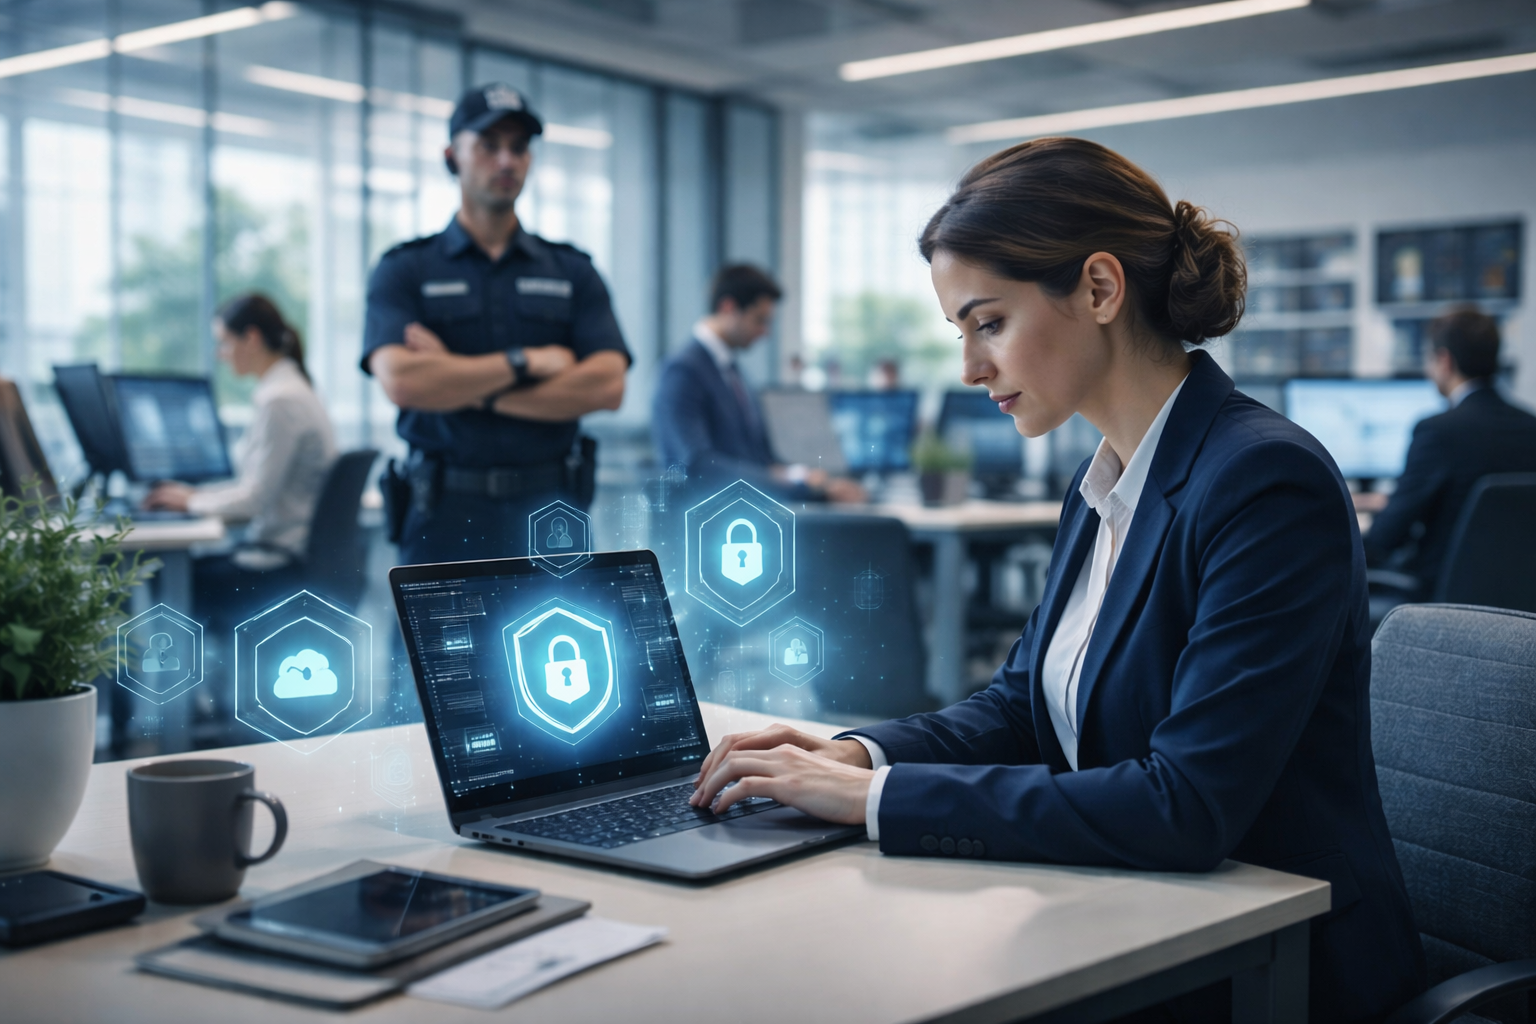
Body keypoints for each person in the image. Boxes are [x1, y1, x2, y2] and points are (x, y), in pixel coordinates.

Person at [689, 138, 1423, 1019]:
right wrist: (854, 753)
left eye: (988, 323)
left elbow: (1183, 804)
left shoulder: (1266, 484)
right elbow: (1015, 708)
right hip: (1141, 921)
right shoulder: (1105, 482)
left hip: (1271, 969)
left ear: (1100, 290)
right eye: (960, 333)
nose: (969, 369)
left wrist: (877, 798)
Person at [362, 83, 630, 565]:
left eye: (519, 147)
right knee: (434, 644)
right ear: (452, 155)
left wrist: (461, 381)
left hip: (552, 511)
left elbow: (607, 386)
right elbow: (403, 381)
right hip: (443, 512)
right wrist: (529, 361)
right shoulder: (406, 269)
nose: (506, 160)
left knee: (562, 643)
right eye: (489, 145)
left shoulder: (571, 271)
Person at [146, 293, 336, 576]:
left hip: (275, 564)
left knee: (152, 575)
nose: (219, 354)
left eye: (224, 342)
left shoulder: (281, 401)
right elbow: (255, 485)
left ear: (251, 337)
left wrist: (190, 502)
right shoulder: (291, 389)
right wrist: (197, 494)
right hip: (287, 554)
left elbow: (254, 500)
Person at [1359, 307, 1536, 596]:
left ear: (1444, 361)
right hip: (1521, 607)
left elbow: (1385, 537)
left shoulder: (1439, 431)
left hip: (1443, 602)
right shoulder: (1531, 426)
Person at [651, 264, 864, 502]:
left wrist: (803, 477)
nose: (765, 332)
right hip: (704, 525)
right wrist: (800, 488)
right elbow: (696, 465)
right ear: (728, 307)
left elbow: (754, 459)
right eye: (759, 320)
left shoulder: (732, 372)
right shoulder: (683, 371)